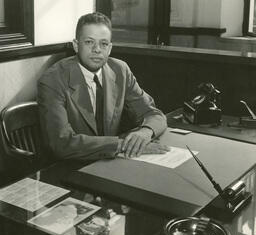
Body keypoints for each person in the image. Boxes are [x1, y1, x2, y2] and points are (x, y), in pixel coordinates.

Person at [37, 12, 169, 162]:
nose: (97, 49)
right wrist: (121, 145)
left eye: (103, 43)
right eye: (89, 42)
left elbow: (153, 114)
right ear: (76, 45)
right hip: (70, 166)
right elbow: (61, 143)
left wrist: (145, 132)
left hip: (109, 163)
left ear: (110, 48)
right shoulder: (53, 79)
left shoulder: (120, 70)